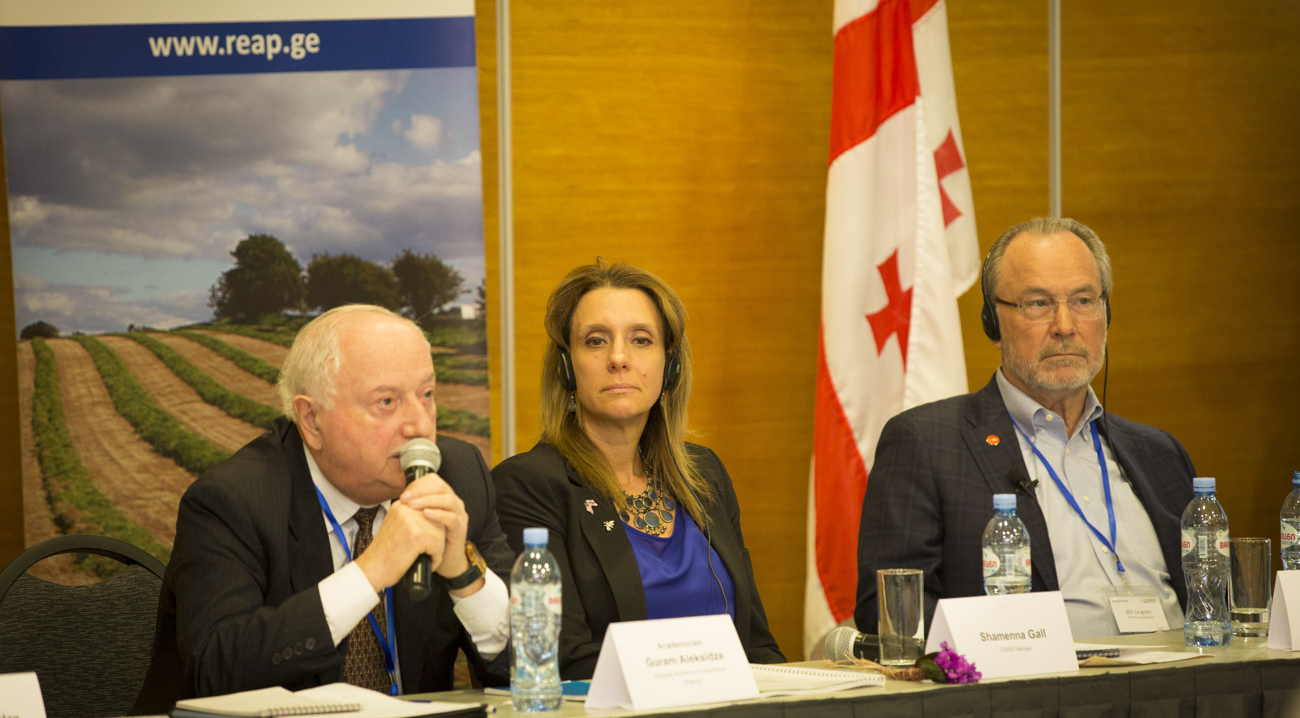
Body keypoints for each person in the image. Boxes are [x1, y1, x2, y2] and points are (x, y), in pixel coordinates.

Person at [134, 305, 513, 712]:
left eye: (427, 395)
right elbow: (216, 670)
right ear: (312, 420)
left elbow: (535, 667)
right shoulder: (232, 502)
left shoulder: (455, 476)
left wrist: (465, 573)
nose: (419, 426)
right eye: (387, 401)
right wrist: (370, 572)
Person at [855, 217, 1195, 639]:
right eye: (1038, 304)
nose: (1065, 325)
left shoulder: (1160, 454)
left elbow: (1216, 597)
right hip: (1038, 679)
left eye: (1083, 300)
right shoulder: (926, 444)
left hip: (1187, 674)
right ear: (993, 324)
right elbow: (891, 609)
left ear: (1106, 314)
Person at [492, 260, 784, 678]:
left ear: (671, 365)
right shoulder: (528, 485)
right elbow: (561, 657)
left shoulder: (705, 474)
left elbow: (756, 645)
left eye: (641, 340)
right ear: (566, 367)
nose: (618, 358)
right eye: (596, 341)